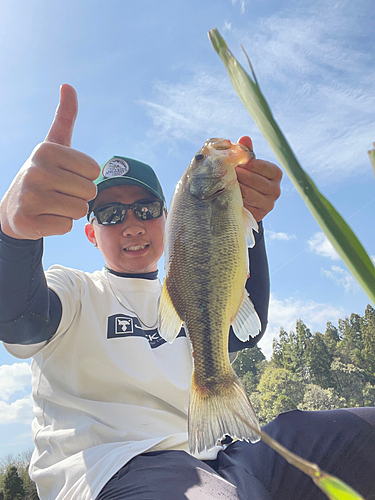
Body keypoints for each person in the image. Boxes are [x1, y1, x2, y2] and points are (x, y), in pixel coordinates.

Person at [0, 84, 374, 500]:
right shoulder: (73, 290)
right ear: (90, 232)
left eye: (145, 209)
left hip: (227, 455)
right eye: (110, 214)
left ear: (168, 217)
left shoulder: (184, 296)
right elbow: (20, 323)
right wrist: (13, 237)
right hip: (115, 469)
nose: (132, 224)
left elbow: (247, 330)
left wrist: (246, 221)